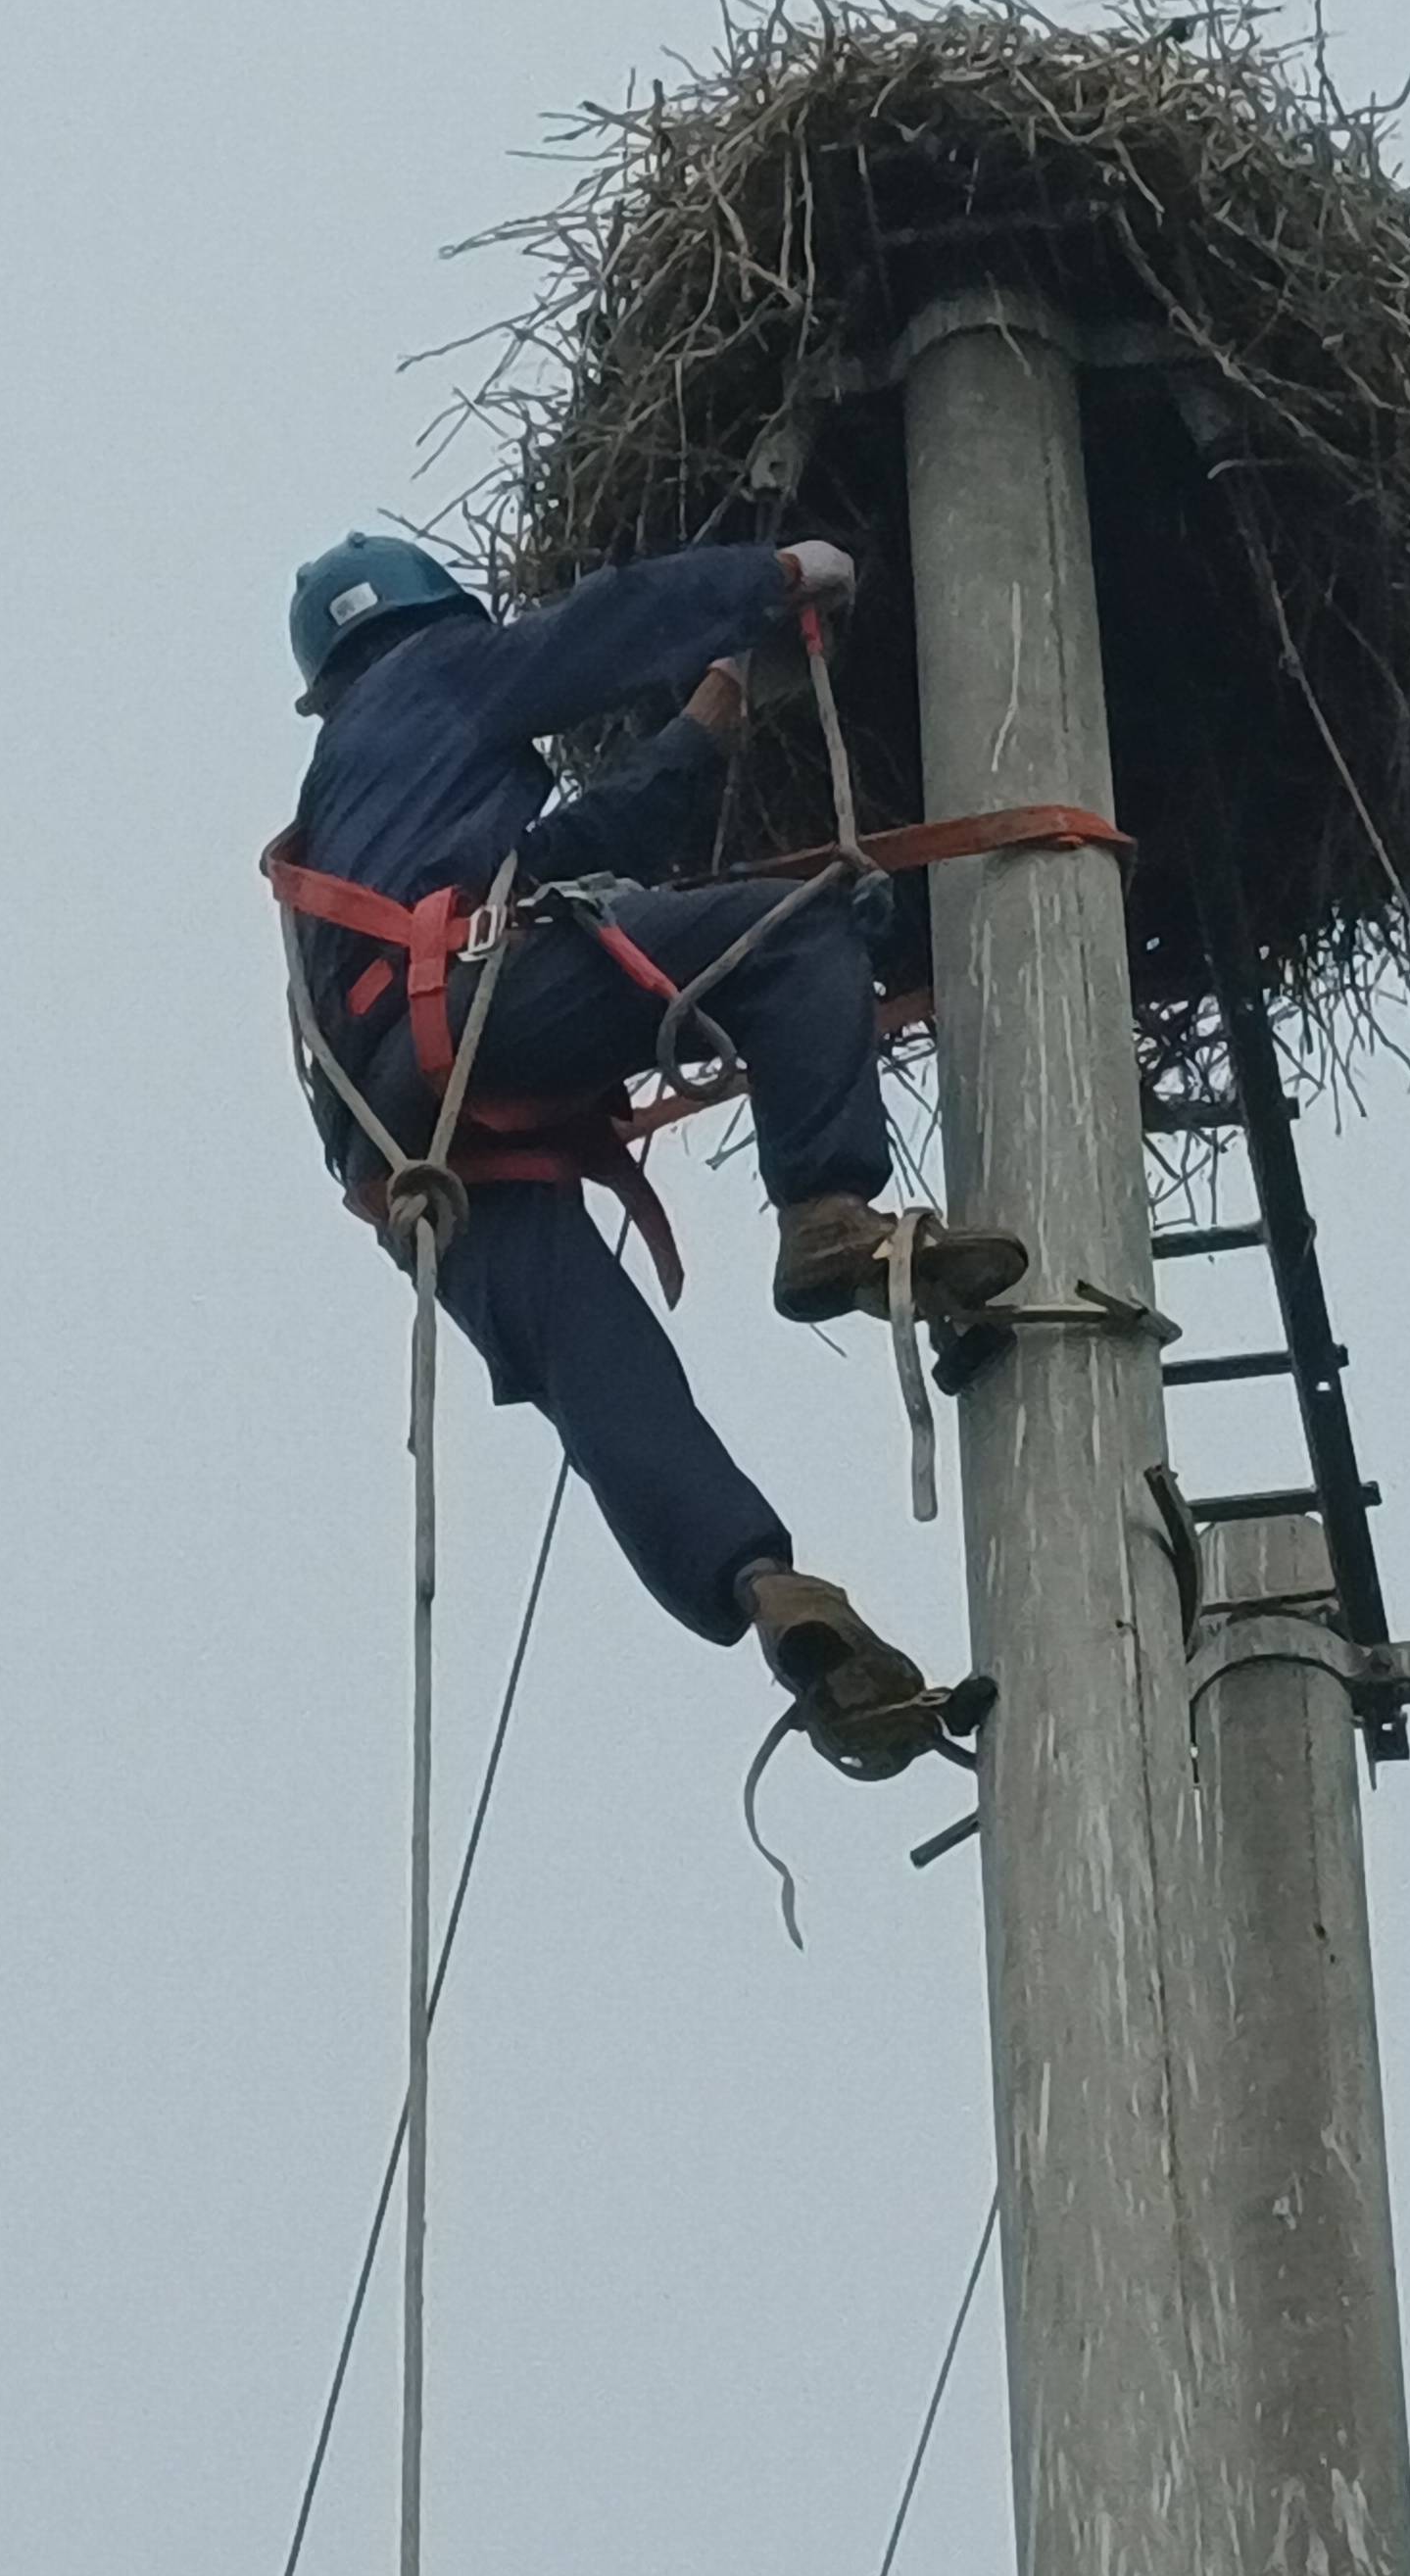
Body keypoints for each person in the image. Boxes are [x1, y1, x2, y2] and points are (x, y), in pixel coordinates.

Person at [269, 529, 1023, 1772]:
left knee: (593, 1370)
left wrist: (716, 713)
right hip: (464, 1010)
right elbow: (601, 632)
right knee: (796, 926)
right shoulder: (441, 673)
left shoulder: (354, 801)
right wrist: (772, 581)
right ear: (431, 618)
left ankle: (762, 1589)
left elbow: (585, 844)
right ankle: (826, 1214)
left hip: (404, 1159)